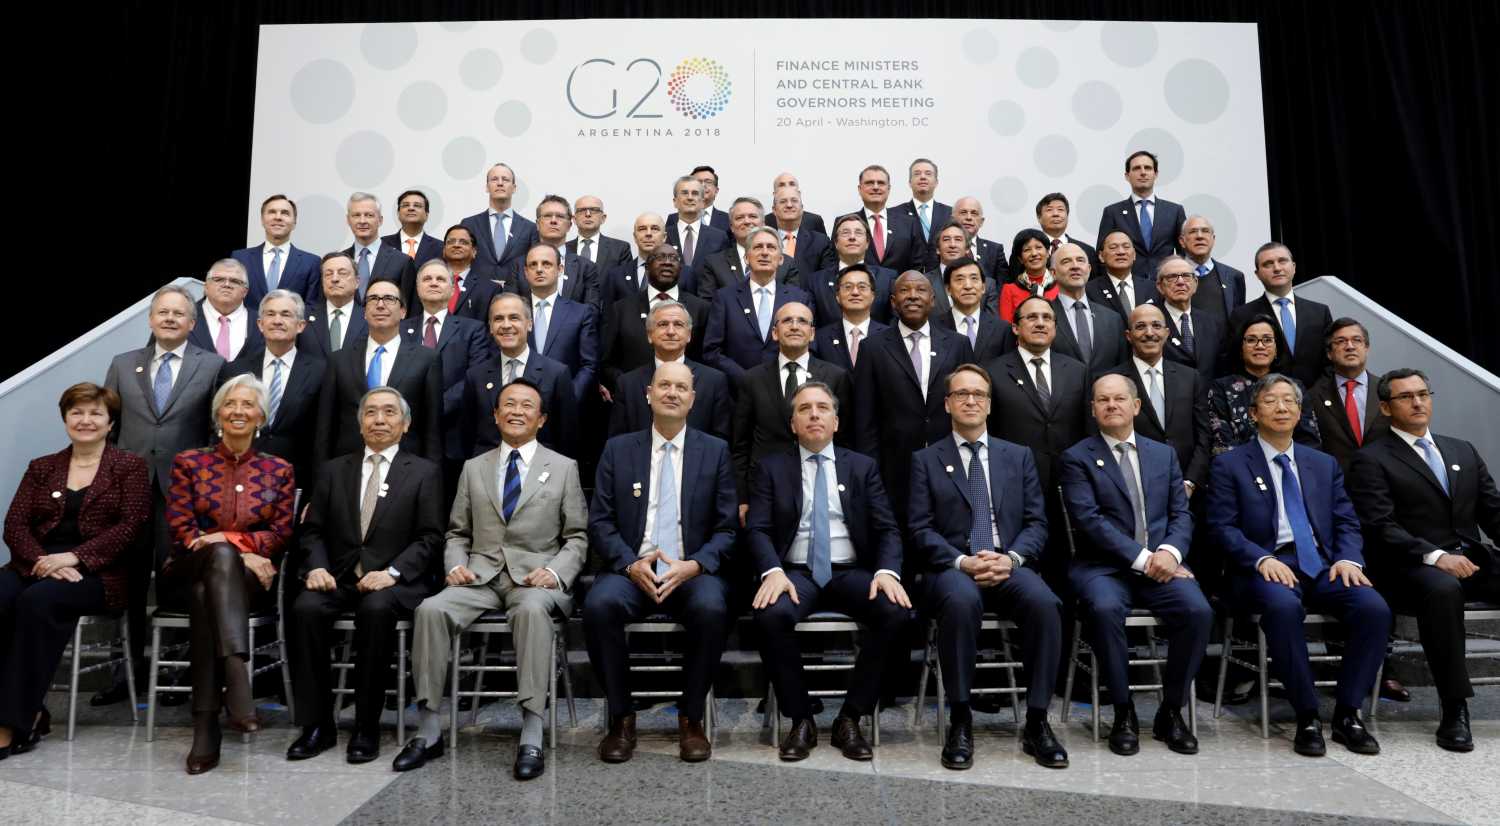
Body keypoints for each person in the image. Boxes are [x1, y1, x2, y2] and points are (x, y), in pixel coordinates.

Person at [398, 378, 589, 778]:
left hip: (534, 579)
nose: (517, 411)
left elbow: (576, 537)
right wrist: (455, 565)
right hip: (479, 576)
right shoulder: (474, 468)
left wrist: (555, 571)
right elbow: (457, 532)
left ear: (541, 419)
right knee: (430, 610)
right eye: (509, 405)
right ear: (496, 415)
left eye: (527, 406)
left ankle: (532, 731)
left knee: (531, 612)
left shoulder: (563, 467)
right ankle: (428, 729)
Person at [1207, 373, 1389, 757]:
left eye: (1289, 400)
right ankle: (1307, 715)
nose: (1281, 407)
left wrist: (1348, 558)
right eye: (1271, 401)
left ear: (1299, 411)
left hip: (1322, 564)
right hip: (1264, 565)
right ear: (1254, 413)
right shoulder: (1230, 464)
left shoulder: (1322, 463)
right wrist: (1261, 558)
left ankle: (1348, 714)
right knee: (1283, 607)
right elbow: (1221, 528)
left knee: (1373, 607)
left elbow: (1346, 520)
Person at [909, 365, 1067, 770]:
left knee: (1045, 604)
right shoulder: (926, 460)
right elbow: (920, 529)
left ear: (990, 404)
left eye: (978, 394)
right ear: (947, 404)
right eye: (961, 394)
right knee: (961, 603)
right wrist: (962, 561)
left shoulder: (1018, 456)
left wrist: (1011, 559)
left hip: (1008, 561)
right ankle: (961, 719)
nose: (970, 401)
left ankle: (1037, 720)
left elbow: (1037, 523)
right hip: (953, 567)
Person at [748, 381, 910, 762]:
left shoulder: (862, 467)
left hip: (850, 570)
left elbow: (887, 528)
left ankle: (850, 718)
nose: (814, 415)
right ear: (793, 424)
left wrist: (886, 572)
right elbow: (757, 529)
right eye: (804, 409)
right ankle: (800, 719)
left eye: (823, 408)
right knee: (770, 614)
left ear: (836, 422)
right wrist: (772, 570)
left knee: (894, 612)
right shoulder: (771, 468)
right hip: (795, 573)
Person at [585, 362, 737, 764]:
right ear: (648, 394)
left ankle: (691, 717)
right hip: (632, 568)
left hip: (690, 570)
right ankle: (622, 718)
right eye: (664, 385)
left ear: (693, 399)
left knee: (712, 607)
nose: (672, 392)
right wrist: (628, 563)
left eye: (681, 387)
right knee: (599, 606)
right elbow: (600, 522)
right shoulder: (618, 449)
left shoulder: (715, 451)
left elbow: (727, 529)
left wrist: (696, 565)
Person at [288, 388, 444, 764]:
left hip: (392, 582)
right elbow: (312, 530)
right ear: (359, 424)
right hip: (339, 575)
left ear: (405, 424)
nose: (379, 420)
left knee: (375, 611)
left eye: (389, 412)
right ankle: (317, 725)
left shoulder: (424, 472)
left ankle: (366, 726)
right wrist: (317, 566)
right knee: (305, 608)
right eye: (371, 413)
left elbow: (430, 537)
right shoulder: (332, 470)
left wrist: (393, 572)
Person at [1348, 368, 1500, 752]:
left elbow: (1493, 512)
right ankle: (1455, 709)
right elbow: (1379, 525)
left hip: (1470, 560)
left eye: (1423, 394)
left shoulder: (1461, 450)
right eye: (1406, 397)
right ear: (1386, 407)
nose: (1417, 402)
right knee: (1444, 590)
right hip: (1408, 568)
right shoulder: (1371, 459)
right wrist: (1436, 556)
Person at [1061, 373, 1212, 757]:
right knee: (1105, 609)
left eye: (1119, 398)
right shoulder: (1076, 457)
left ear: (1136, 406)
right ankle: (1123, 712)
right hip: (1103, 567)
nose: (1111, 405)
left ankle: (1171, 711)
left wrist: (1171, 553)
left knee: (1197, 611)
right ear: (1093, 409)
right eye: (1103, 400)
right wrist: (1147, 560)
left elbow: (1181, 513)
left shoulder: (1163, 454)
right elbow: (1089, 522)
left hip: (1164, 565)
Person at [0, 384, 150, 758]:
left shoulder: (129, 467)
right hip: (36, 562)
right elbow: (15, 525)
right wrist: (43, 561)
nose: (85, 420)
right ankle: (33, 710)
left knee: (38, 602)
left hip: (99, 573)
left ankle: (12, 722)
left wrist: (75, 557)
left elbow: (131, 526)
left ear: (110, 423)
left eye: (95, 413)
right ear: (65, 418)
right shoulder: (42, 467)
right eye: (77, 413)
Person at [160, 374, 294, 774]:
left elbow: (280, 534)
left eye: (248, 405)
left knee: (210, 592)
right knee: (216, 558)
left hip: (242, 584)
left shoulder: (279, 469)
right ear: (218, 413)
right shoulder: (189, 462)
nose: (238, 411)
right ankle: (236, 673)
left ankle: (206, 726)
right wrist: (241, 550)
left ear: (261, 417)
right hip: (186, 570)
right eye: (230, 404)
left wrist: (229, 543)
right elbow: (183, 531)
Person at [101, 284, 225, 706]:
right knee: (128, 583)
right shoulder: (122, 364)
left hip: (184, 495)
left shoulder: (212, 365)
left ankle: (175, 669)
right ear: (151, 319)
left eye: (178, 313)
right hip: (130, 492)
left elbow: (214, 432)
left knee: (176, 581)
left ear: (192, 322)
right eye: (163, 312)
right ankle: (126, 672)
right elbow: (110, 428)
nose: (170, 319)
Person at [852, 271, 976, 524]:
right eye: (904, 291)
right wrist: (871, 472)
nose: (912, 296)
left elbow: (971, 404)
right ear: (893, 302)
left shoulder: (958, 344)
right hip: (894, 467)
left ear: (933, 300)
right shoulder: (872, 347)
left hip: (951, 460)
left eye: (920, 290)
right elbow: (864, 418)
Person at [732, 302, 852, 515]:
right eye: (787, 321)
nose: (795, 326)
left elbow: (845, 439)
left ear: (812, 333)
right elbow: (741, 444)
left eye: (802, 321)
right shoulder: (752, 379)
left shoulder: (836, 376)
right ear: (775, 333)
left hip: (821, 482)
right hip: (765, 489)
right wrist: (742, 497)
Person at [316, 279, 442, 462]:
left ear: (403, 311)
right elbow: (325, 426)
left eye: (389, 299)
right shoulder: (339, 360)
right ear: (364, 312)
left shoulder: (426, 359)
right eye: (373, 299)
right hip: (348, 464)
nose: (380, 305)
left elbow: (433, 428)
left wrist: (432, 472)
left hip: (407, 465)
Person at [399, 259, 492, 494]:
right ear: (417, 288)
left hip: (453, 436)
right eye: (427, 279)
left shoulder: (473, 330)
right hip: (407, 435)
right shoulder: (399, 329)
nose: (433, 283)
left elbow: (475, 376)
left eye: (440, 279)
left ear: (452, 289)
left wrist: (434, 407)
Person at [984, 295, 1090, 501]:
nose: (1040, 323)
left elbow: (1087, 428)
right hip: (1015, 481)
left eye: (1047, 318)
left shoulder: (1078, 371)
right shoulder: (992, 372)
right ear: (1015, 328)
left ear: (1055, 327)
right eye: (1032, 317)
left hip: (1071, 481)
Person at [218, 289, 326, 490]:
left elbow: (323, 436)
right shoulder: (235, 370)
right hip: (238, 476)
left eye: (286, 314)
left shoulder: (322, 372)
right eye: (270, 314)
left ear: (301, 325)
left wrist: (316, 493)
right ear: (260, 324)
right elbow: (219, 426)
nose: (277, 321)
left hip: (296, 480)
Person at [461, 293, 576, 458]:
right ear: (491, 328)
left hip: (541, 468)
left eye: (514, 318)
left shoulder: (557, 374)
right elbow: (468, 435)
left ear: (529, 324)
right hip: (488, 467)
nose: (506, 325)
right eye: (498, 319)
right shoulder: (475, 376)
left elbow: (567, 439)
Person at [1119, 305, 1212, 499]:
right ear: (1128, 335)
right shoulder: (1114, 380)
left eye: (1156, 325)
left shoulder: (1190, 377)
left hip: (1189, 491)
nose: (1149, 333)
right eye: (1140, 326)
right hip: (1136, 489)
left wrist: (1191, 482)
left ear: (1167, 333)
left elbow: (1204, 434)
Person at [702, 227, 815, 385]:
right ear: (746, 258)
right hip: (738, 390)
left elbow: (810, 346)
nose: (764, 253)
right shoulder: (725, 298)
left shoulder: (799, 298)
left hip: (786, 388)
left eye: (771, 247)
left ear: (781, 259)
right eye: (758, 247)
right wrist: (746, 379)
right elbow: (712, 351)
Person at [609, 300, 732, 441]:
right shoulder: (627, 384)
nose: (671, 332)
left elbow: (721, 443)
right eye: (663, 324)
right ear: (649, 335)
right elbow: (617, 443)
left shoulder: (714, 382)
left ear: (689, 335)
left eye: (678, 324)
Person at [599, 246, 710, 395]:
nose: (667, 262)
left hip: (686, 396)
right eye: (660, 257)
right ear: (646, 267)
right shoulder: (621, 309)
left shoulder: (701, 309)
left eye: (673, 258)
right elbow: (606, 361)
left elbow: (707, 358)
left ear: (681, 268)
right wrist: (630, 386)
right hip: (634, 397)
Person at [1208, 314, 1320, 454]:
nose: (1260, 346)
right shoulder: (1221, 388)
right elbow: (1222, 445)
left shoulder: (1294, 387)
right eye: (1251, 340)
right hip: (1240, 465)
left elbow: (1310, 441)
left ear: (1277, 348)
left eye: (1267, 340)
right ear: (1241, 348)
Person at [1229, 243, 1332, 390]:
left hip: (1314, 397)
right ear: (1257, 274)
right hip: (1265, 397)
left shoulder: (1320, 312)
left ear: (1294, 267)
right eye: (1268, 264)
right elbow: (1235, 363)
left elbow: (1330, 361)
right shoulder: (1242, 315)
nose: (1277, 268)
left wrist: (1315, 396)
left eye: (1282, 261)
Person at [1306, 319, 1390, 470]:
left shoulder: (1388, 390)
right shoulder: (1313, 396)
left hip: (1385, 479)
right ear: (1329, 353)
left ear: (1366, 348)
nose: (1350, 346)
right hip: (1337, 480)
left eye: (1357, 340)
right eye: (1341, 341)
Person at [520, 245, 598, 403]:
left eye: (546, 264)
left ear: (560, 269)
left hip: (565, 403)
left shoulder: (581, 313)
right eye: (533, 265)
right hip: (520, 402)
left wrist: (570, 396)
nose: (539, 269)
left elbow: (589, 365)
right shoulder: (513, 312)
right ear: (526, 272)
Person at [1094, 150, 1186, 278]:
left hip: (1166, 282)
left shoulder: (1174, 211)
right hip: (1128, 284)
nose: (1143, 172)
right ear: (1127, 176)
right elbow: (1102, 256)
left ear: (1156, 174)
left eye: (1147, 168)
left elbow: (1184, 253)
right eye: (1137, 168)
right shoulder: (1112, 212)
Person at [504, 196, 603, 311]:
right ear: (537, 224)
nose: (553, 221)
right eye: (547, 216)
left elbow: (591, 311)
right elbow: (508, 308)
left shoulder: (586, 267)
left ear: (569, 225)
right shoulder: (518, 265)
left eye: (560, 216)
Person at [699, 197, 802, 301]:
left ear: (763, 223)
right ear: (731, 227)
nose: (747, 221)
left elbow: (794, 302)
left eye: (753, 216)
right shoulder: (715, 264)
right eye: (740, 218)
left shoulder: (786, 264)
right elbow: (707, 304)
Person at [806, 214, 898, 329]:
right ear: (836, 243)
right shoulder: (816, 282)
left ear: (867, 243)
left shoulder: (887, 278)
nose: (852, 237)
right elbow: (810, 323)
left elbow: (894, 321)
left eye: (858, 233)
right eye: (846, 233)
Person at [1048, 242, 1126, 372]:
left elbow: (1123, 367)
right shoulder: (1044, 315)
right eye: (1066, 261)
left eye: (1080, 260)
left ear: (1089, 269)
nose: (1075, 266)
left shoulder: (1113, 319)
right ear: (1053, 273)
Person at [231, 194, 322, 305]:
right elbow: (231, 298)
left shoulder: (312, 263)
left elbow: (312, 306)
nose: (278, 217)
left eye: (285, 213)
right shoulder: (240, 258)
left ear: (294, 223)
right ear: (262, 220)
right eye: (272, 212)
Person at [1152, 256, 1224, 381]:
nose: (1180, 282)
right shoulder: (1151, 322)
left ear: (1195, 283)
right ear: (1160, 286)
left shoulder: (1212, 323)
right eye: (1172, 277)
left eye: (1186, 276)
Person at [460, 162, 539, 272]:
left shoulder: (530, 228)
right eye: (494, 179)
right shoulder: (469, 224)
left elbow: (533, 264)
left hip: (515, 283)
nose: (500, 183)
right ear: (487, 187)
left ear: (514, 188)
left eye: (505, 179)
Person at [852, 164, 931, 274]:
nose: (875, 187)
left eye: (881, 183)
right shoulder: (846, 223)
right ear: (860, 189)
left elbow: (917, 266)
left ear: (888, 189)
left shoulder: (909, 224)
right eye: (869, 183)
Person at [811, 264, 889, 373]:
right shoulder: (820, 338)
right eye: (848, 287)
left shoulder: (889, 336)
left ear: (873, 296)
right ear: (837, 296)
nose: (855, 292)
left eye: (862, 287)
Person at [342, 192, 417, 303]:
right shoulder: (340, 260)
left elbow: (408, 306)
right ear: (348, 220)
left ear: (380, 220)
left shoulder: (402, 262)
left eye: (369, 215)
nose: (362, 221)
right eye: (356, 215)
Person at [932, 256, 1007, 363]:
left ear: (983, 288)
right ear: (948, 289)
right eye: (959, 279)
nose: (968, 286)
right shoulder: (934, 327)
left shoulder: (1002, 329)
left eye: (974, 278)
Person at [187, 259, 263, 361]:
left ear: (245, 291)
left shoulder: (263, 322)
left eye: (235, 281)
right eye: (218, 279)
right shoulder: (184, 316)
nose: (227, 284)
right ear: (206, 287)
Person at [298, 252, 369, 358]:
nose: (334, 279)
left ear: (357, 282)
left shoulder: (370, 317)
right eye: (328, 274)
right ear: (322, 282)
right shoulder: (302, 316)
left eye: (342, 273)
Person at [1177, 215, 1245, 322]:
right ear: (1182, 241)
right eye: (1193, 231)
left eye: (1205, 231)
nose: (1200, 236)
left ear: (1213, 239)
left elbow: (1239, 320)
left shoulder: (1233, 276)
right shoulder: (1169, 276)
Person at [926, 222, 1000, 319]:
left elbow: (992, 324)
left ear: (967, 248)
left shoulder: (988, 284)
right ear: (938, 249)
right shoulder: (924, 282)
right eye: (946, 239)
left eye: (958, 239)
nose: (952, 245)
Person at [665, 175, 730, 277]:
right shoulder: (663, 236)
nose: (690, 197)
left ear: (703, 202)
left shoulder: (719, 238)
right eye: (684, 193)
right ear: (675, 202)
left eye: (695, 193)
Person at [1086, 230, 1160, 319]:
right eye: (1113, 247)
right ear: (1101, 256)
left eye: (1126, 247)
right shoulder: (1089, 291)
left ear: (1134, 254)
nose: (1121, 252)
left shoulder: (1153, 288)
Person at [439, 224, 504, 321]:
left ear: (474, 251)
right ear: (444, 250)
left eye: (463, 242)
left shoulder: (491, 289)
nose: (456, 245)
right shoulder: (429, 283)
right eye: (451, 242)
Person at [997, 229, 1058, 323]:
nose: (1034, 253)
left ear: (1047, 253)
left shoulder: (1061, 286)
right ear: (1020, 259)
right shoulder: (1009, 290)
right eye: (1027, 250)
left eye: (1038, 247)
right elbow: (1006, 327)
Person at [771, 188, 834, 277]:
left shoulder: (820, 242)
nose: (789, 205)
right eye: (783, 201)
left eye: (794, 201)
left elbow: (826, 279)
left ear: (802, 208)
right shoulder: (764, 242)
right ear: (774, 210)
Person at [1035, 192, 1098, 276]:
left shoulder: (1087, 250)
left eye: (1060, 209)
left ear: (1067, 216)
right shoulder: (1029, 251)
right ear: (1039, 217)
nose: (1056, 214)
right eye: (1049, 210)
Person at [894, 157, 951, 248]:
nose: (923, 177)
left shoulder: (950, 213)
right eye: (917, 174)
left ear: (936, 182)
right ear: (909, 183)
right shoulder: (894, 214)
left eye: (928, 174)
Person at [567, 195, 634, 272]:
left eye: (594, 210)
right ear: (574, 219)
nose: (588, 214)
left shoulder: (620, 249)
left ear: (603, 218)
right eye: (582, 210)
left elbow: (625, 278)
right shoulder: (563, 249)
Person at [381, 189, 443, 266]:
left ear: (426, 215)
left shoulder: (440, 247)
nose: (411, 208)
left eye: (417, 205)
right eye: (405, 205)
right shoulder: (382, 244)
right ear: (398, 213)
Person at [952, 196, 1008, 281]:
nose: (969, 217)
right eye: (963, 212)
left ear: (981, 222)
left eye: (974, 213)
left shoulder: (995, 250)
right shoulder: (942, 248)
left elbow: (1003, 284)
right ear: (953, 219)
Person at [688, 164, 732, 232]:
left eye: (708, 182)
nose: (703, 185)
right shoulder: (674, 219)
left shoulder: (729, 219)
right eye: (698, 182)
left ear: (716, 191)